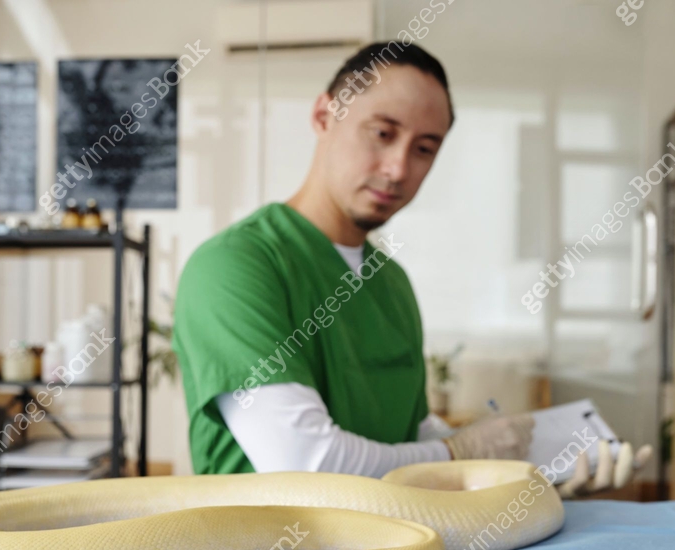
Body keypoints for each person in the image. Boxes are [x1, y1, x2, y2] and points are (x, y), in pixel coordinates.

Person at [171, 41, 648, 495]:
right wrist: (459, 454)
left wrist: (525, 467)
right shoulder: (234, 267)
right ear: (323, 115)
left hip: (394, 548)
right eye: (382, 133)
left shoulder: (390, 282)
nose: (399, 169)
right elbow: (304, 463)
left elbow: (413, 430)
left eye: (424, 149)